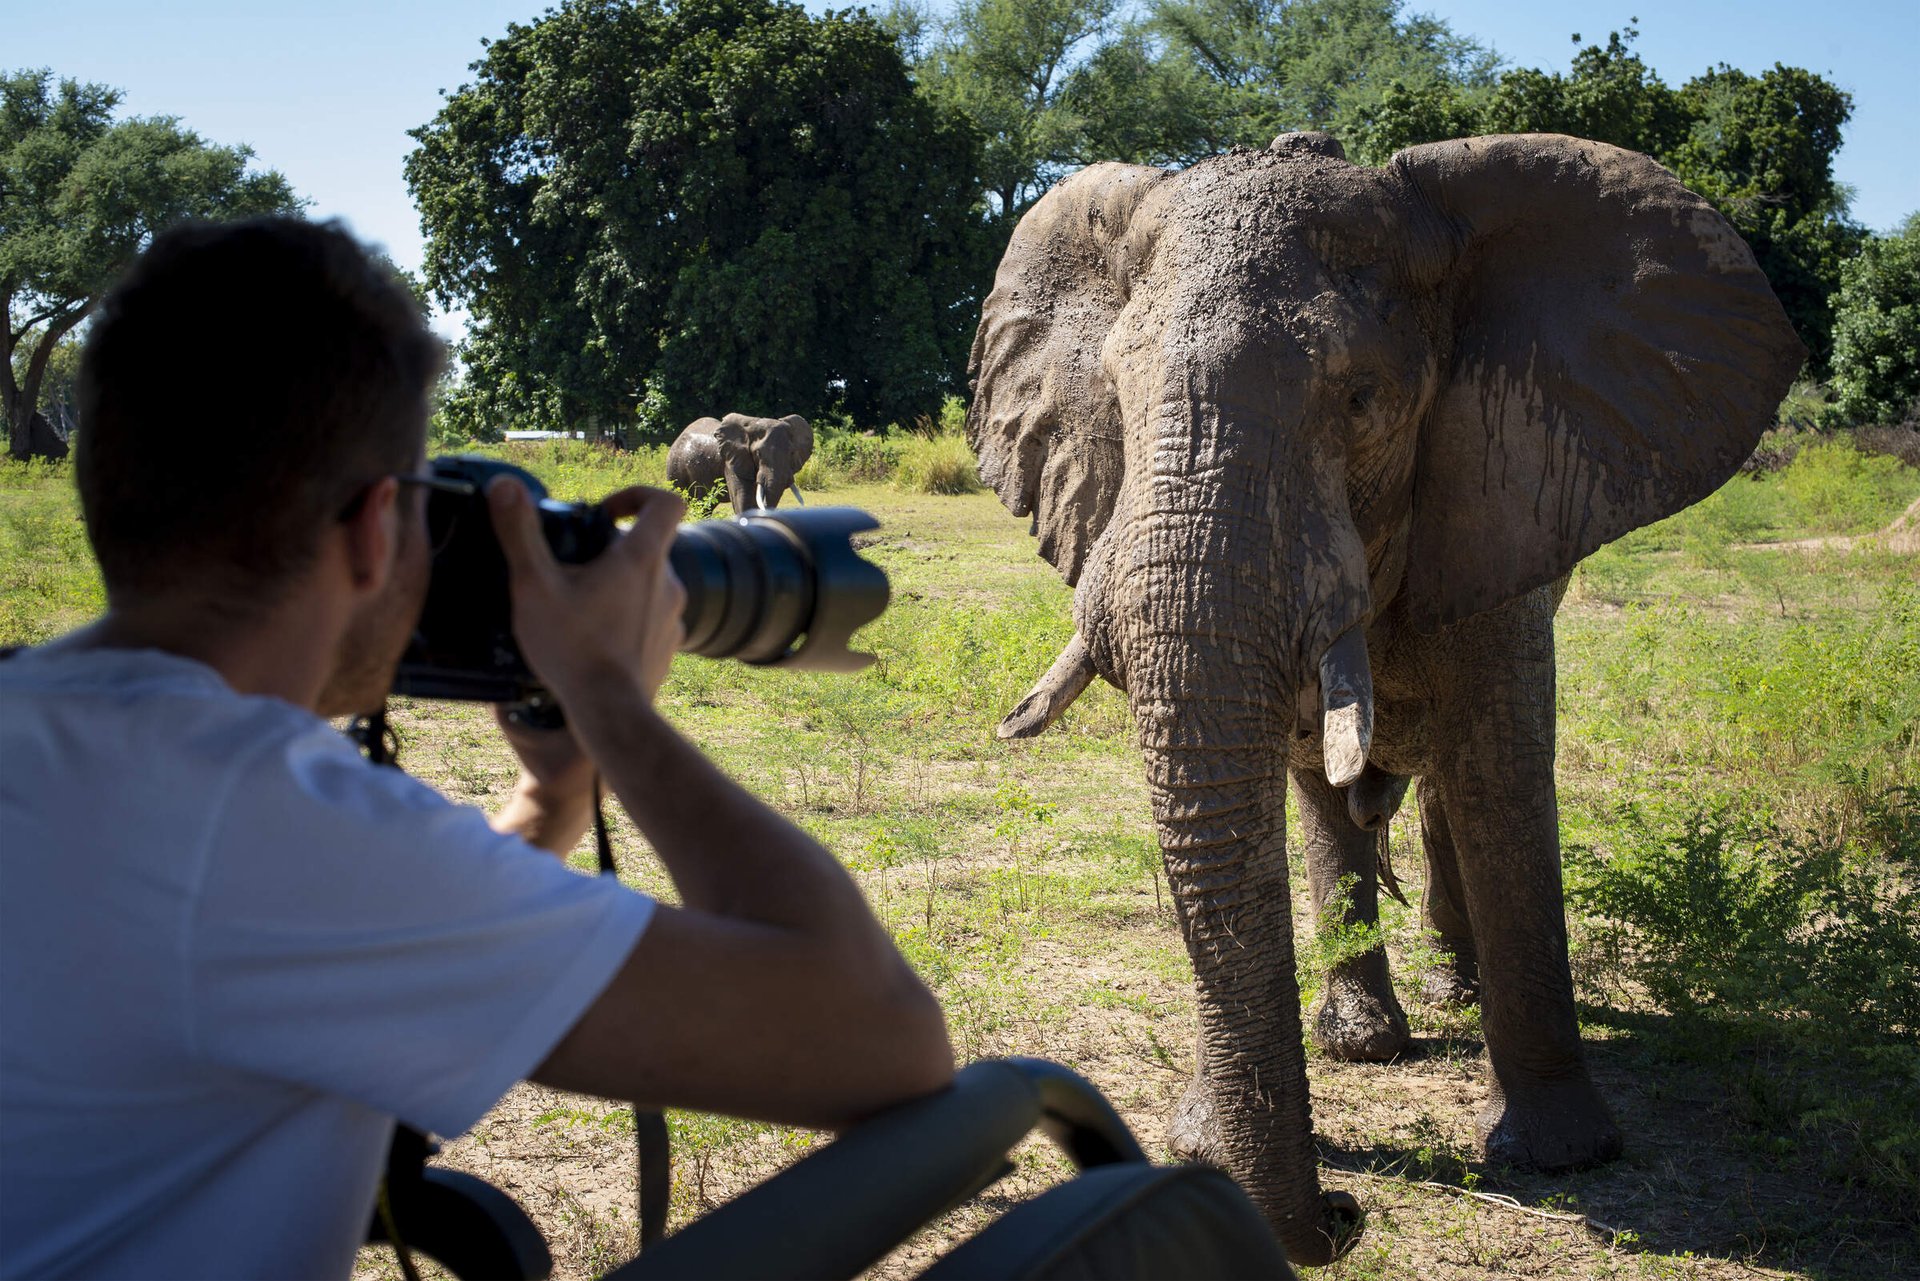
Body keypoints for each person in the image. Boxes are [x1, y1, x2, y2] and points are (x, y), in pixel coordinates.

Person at [0, 218, 953, 1279]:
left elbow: (351, 942)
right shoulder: (254, 826)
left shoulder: (59, 737)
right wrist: (608, 699)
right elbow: (879, 1040)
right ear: (373, 529)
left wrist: (554, 791)